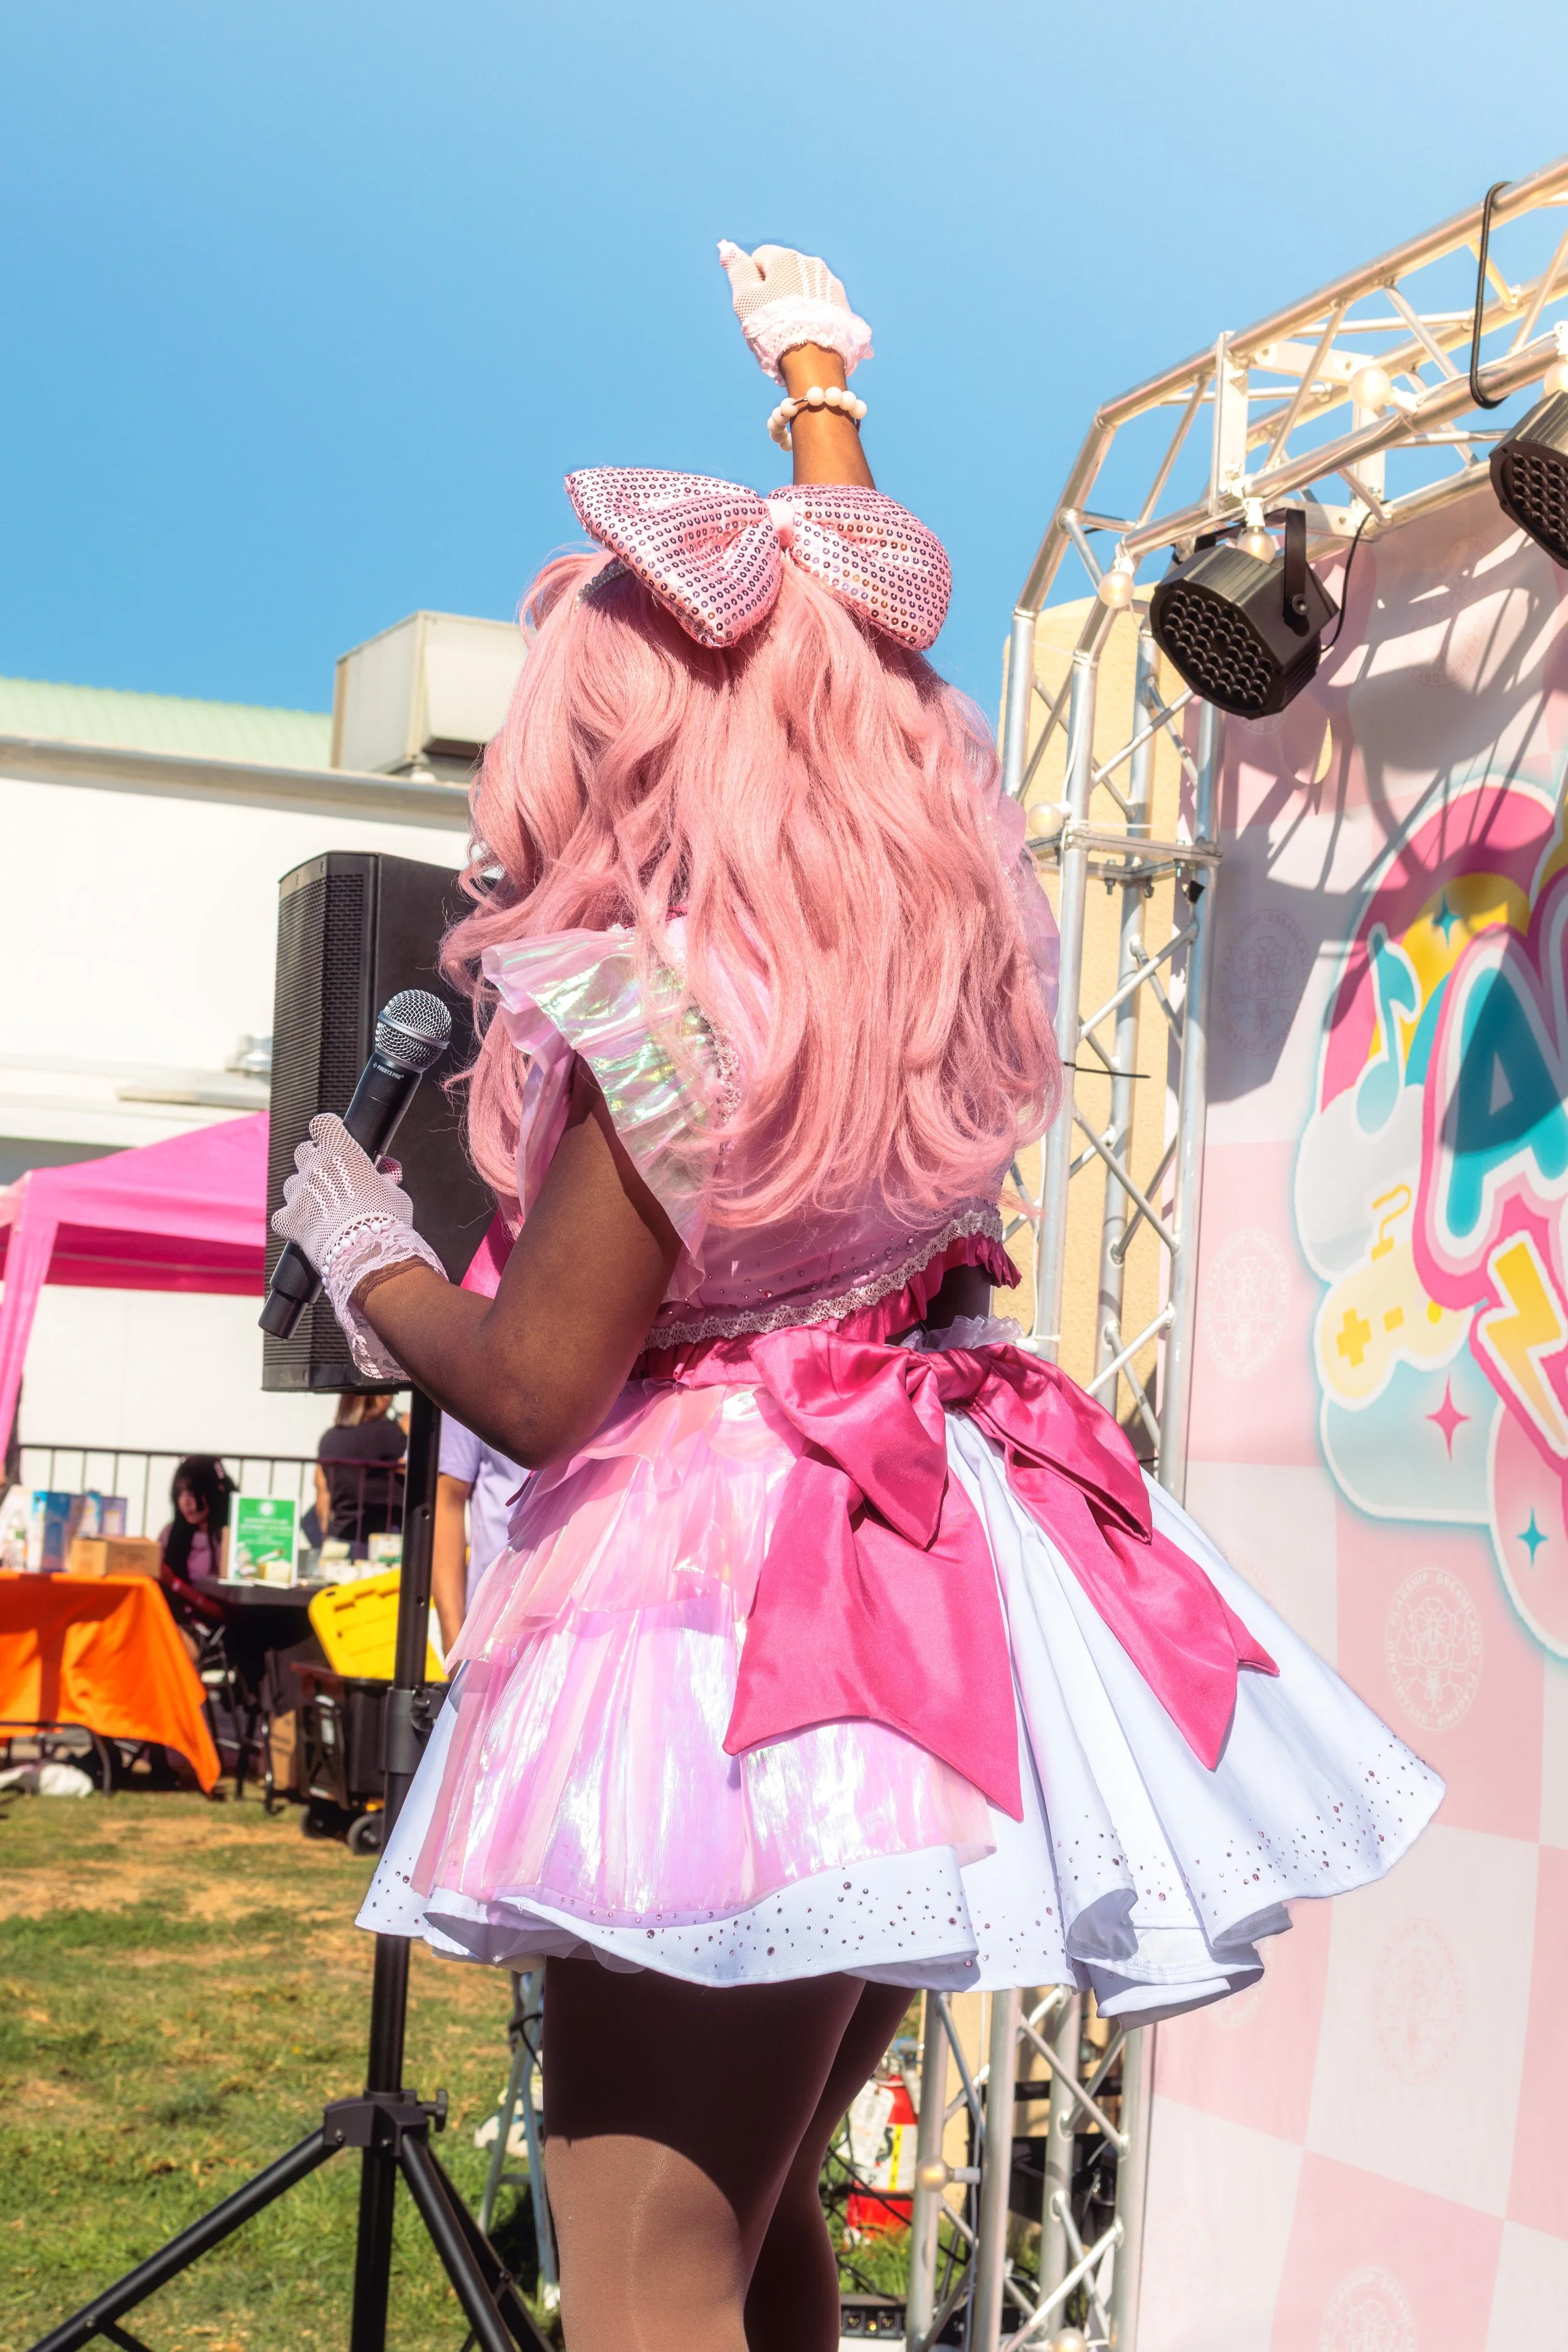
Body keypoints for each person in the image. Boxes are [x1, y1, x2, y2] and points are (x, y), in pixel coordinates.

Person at [273, 241, 1444, 2352]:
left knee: (641, 2272)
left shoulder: (652, 1005)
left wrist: (367, 1255)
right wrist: (818, 381)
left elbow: (540, 1385)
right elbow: (836, 634)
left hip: (730, 1640)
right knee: (760, 2223)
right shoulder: (914, 987)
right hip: (926, 1602)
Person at [432, 1414, 525, 1655]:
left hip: (596, 1624)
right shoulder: (474, 1381)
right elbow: (446, 1501)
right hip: (493, 1628)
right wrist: (454, 1642)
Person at [315, 1391, 406, 1555]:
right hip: (384, 1543)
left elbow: (322, 1492)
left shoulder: (329, 1438)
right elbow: (425, 1468)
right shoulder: (389, 1434)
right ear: (382, 1397)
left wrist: (327, 1534)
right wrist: (411, 1433)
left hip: (341, 1537)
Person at [158, 1455, 233, 1638]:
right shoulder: (172, 1533)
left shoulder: (227, 1539)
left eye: (192, 1493)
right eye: (180, 1494)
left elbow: (226, 1614)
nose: (185, 1502)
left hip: (209, 1635)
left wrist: (175, 1584)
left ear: (215, 1492)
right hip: (171, 1624)